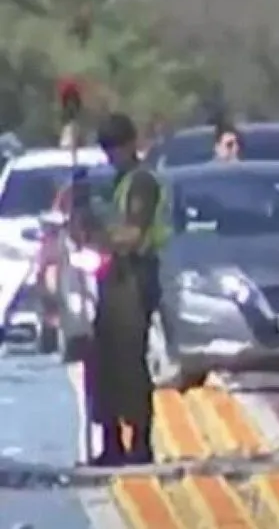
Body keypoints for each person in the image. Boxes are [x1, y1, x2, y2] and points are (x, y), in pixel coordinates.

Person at [86, 113, 168, 465]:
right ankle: (112, 442)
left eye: (116, 149)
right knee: (103, 361)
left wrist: (100, 237)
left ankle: (139, 442)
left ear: (131, 145)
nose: (111, 157)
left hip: (134, 279)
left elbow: (133, 233)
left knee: (129, 361)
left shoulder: (142, 182)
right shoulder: (116, 183)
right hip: (112, 279)